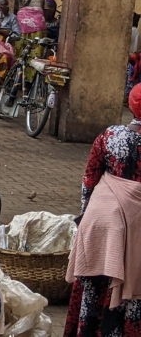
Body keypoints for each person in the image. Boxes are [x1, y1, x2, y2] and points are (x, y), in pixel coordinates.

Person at [64, 84, 141, 337]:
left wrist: (85, 216)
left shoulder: (109, 136)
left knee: (95, 288)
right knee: (133, 296)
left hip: (102, 224)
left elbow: (89, 179)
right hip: (136, 230)